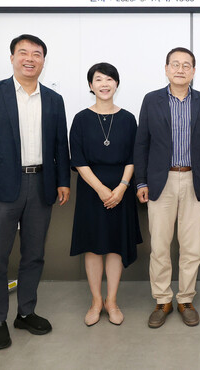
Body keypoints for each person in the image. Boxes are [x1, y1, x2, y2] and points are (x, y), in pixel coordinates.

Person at [0, 34, 70, 350]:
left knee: (34, 255)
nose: (30, 58)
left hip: (41, 185)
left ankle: (25, 313)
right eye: (23, 52)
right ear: (12, 58)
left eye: (36, 54)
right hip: (2, 188)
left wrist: (63, 181)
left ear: (43, 61)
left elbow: (60, 145)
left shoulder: (54, 100)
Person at [134, 47, 200, 328]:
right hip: (161, 181)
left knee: (192, 246)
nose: (180, 69)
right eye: (175, 64)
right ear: (166, 69)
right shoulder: (152, 100)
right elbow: (142, 143)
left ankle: (185, 299)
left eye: (186, 65)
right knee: (159, 246)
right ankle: (162, 300)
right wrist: (141, 181)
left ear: (193, 71)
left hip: (194, 180)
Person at [69, 62, 142, 327]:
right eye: (98, 79)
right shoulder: (80, 119)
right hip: (91, 191)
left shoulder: (128, 119)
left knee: (114, 246)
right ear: (91, 85)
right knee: (93, 246)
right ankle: (96, 301)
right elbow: (78, 160)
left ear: (116, 84)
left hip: (122, 190)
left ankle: (111, 301)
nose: (104, 84)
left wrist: (122, 187)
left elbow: (134, 156)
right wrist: (101, 189)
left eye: (109, 79)